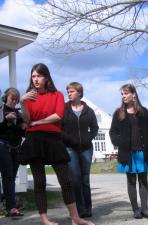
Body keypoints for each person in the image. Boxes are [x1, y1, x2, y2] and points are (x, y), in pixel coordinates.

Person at [18, 63, 95, 225]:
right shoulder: (28, 96)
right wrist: (22, 102)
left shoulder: (57, 95)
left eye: (39, 76)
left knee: (66, 180)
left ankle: (75, 218)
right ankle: (45, 220)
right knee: (40, 182)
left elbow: (58, 115)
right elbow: (26, 119)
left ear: (46, 77)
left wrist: (37, 122)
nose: (36, 79)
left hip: (53, 139)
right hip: (34, 140)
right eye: (33, 76)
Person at [109, 84, 148, 219]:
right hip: (127, 153)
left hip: (142, 152)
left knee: (143, 180)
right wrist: (120, 143)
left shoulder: (144, 111)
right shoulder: (118, 113)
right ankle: (135, 209)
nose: (123, 96)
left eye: (126, 93)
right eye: (122, 94)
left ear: (133, 94)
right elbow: (113, 133)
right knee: (131, 181)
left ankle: (145, 209)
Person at [62, 82, 99, 218]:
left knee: (85, 180)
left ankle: (88, 209)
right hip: (70, 148)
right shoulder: (64, 109)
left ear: (79, 93)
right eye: (68, 91)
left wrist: (87, 139)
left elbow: (95, 129)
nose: (69, 94)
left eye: (71, 91)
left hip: (86, 149)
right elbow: (59, 128)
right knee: (75, 179)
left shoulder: (88, 111)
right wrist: (70, 140)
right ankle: (79, 210)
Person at [0, 87, 25, 218]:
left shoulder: (18, 113)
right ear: (5, 98)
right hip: (3, 146)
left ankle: (8, 203)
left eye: (16, 100)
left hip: (16, 148)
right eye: (12, 99)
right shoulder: (1, 110)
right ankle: (11, 207)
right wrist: (6, 121)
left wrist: (24, 125)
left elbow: (23, 133)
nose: (14, 102)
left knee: (11, 177)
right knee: (8, 177)